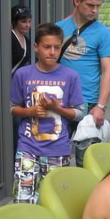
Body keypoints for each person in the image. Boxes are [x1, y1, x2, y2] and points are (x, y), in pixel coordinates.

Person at [10, 23, 84, 204]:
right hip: (27, 147)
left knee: (55, 202)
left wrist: (56, 108)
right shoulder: (22, 74)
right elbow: (13, 108)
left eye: (57, 47)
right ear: (36, 47)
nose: (52, 52)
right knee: (22, 201)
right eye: (47, 47)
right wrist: (30, 111)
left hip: (58, 149)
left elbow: (80, 113)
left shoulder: (70, 76)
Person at [56, 0, 110, 126]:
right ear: (77, 1)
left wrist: (101, 106)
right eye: (90, 5)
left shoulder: (103, 32)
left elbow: (108, 71)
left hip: (87, 102)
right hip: (59, 98)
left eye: (98, 6)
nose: (95, 10)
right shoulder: (58, 28)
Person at [10, 5, 32, 74]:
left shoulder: (27, 41)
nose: (28, 25)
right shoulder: (9, 39)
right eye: (24, 22)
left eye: (29, 21)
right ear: (15, 22)